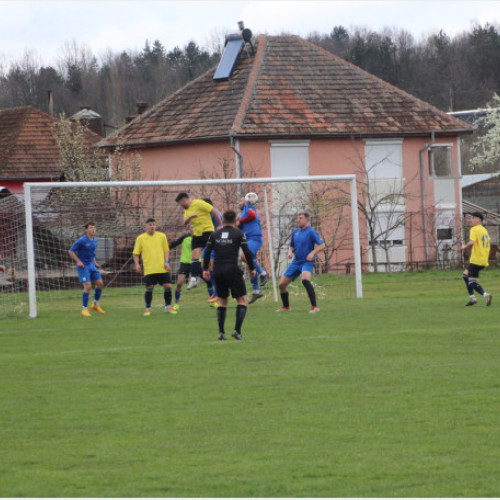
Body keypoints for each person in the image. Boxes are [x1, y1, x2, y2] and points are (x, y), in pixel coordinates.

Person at [202, 210, 256, 341]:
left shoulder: (214, 235)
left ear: (224, 219)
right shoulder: (238, 234)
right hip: (232, 270)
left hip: (218, 271)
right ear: (235, 220)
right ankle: (237, 331)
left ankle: (221, 333)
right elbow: (247, 252)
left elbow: (207, 252)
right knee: (242, 300)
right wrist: (252, 268)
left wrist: (205, 269)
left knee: (222, 302)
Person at [277, 212, 325, 313]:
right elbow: (291, 245)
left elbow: (322, 245)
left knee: (305, 280)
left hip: (306, 262)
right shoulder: (296, 232)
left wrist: (312, 253)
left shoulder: (311, 231)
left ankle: (315, 307)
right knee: (281, 285)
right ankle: (286, 307)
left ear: (306, 220)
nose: (298, 220)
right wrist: (290, 252)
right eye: (298, 218)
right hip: (296, 262)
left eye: (301, 218)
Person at [175, 192, 222, 290]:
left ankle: (216, 283)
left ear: (184, 200)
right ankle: (193, 280)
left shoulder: (199, 203)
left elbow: (213, 210)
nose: (180, 206)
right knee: (194, 255)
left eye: (180, 204)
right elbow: (184, 222)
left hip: (207, 231)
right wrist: (191, 217)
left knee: (208, 261)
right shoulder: (187, 210)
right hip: (197, 234)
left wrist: (220, 224)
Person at [133, 218, 177, 316]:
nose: (152, 226)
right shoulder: (141, 238)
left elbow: (166, 250)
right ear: (146, 226)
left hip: (162, 267)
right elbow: (136, 253)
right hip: (149, 268)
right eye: (150, 225)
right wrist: (137, 264)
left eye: (153, 224)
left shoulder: (162, 236)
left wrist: (166, 262)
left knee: (168, 286)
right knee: (150, 287)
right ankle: (148, 308)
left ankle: (168, 307)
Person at [68, 222, 105, 316]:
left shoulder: (95, 240)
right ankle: (84, 309)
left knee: (100, 284)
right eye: (91, 228)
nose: (93, 229)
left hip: (92, 265)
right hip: (83, 267)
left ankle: (95, 305)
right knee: (88, 286)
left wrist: (95, 262)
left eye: (94, 228)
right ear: (86, 230)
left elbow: (92, 253)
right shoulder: (81, 240)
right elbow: (71, 251)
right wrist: (78, 261)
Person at [238, 195, 269, 304]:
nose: (239, 202)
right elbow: (243, 225)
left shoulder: (249, 206)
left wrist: (240, 221)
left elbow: (252, 215)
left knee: (243, 256)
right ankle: (256, 291)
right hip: (249, 239)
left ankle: (263, 273)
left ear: (246, 200)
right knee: (250, 267)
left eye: (241, 200)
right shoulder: (243, 212)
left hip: (254, 239)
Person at [460, 212, 493, 307]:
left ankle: (486, 295)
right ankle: (472, 298)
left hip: (477, 259)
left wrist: (464, 246)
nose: (471, 220)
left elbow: (472, 242)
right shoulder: (484, 230)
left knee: (471, 281)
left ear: (479, 219)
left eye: (473, 218)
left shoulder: (474, 229)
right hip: (483, 258)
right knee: (465, 276)